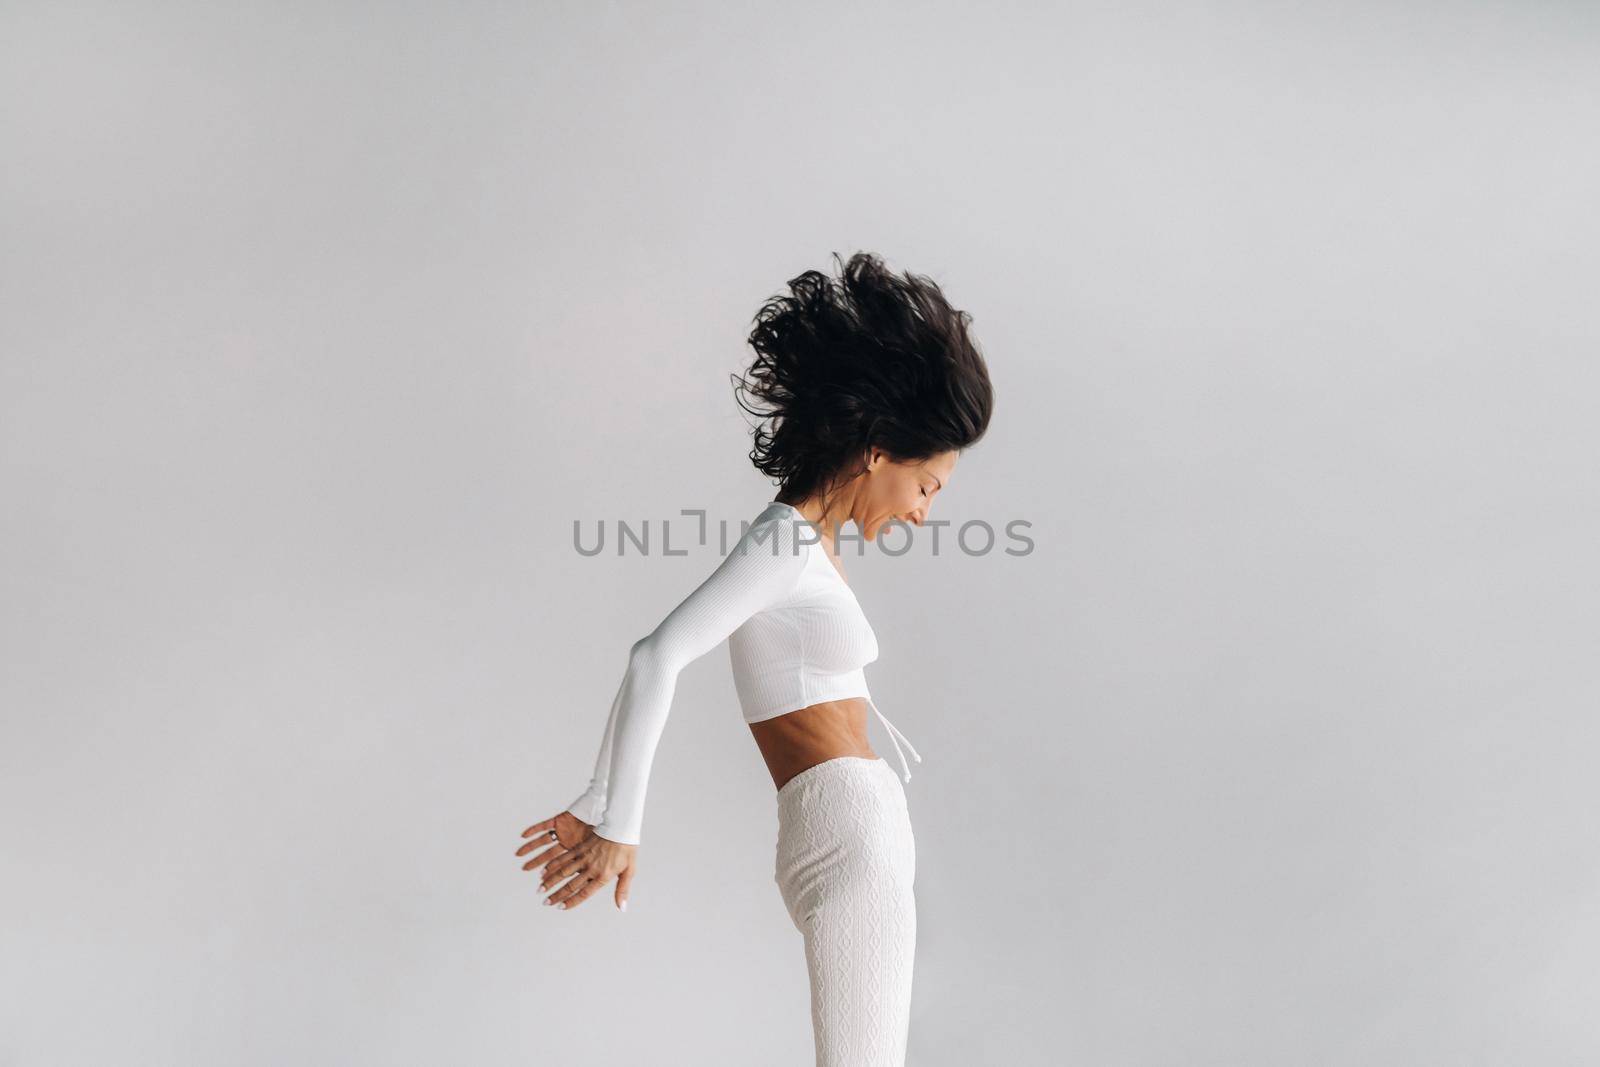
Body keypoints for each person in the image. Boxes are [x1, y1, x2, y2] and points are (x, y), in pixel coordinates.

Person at [516, 250, 994, 1065]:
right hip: (850, 835)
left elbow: (653, 662)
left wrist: (603, 796)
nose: (923, 514)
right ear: (879, 449)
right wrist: (620, 827)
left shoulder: (807, 546)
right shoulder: (787, 545)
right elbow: (656, 655)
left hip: (837, 831)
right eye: (929, 488)